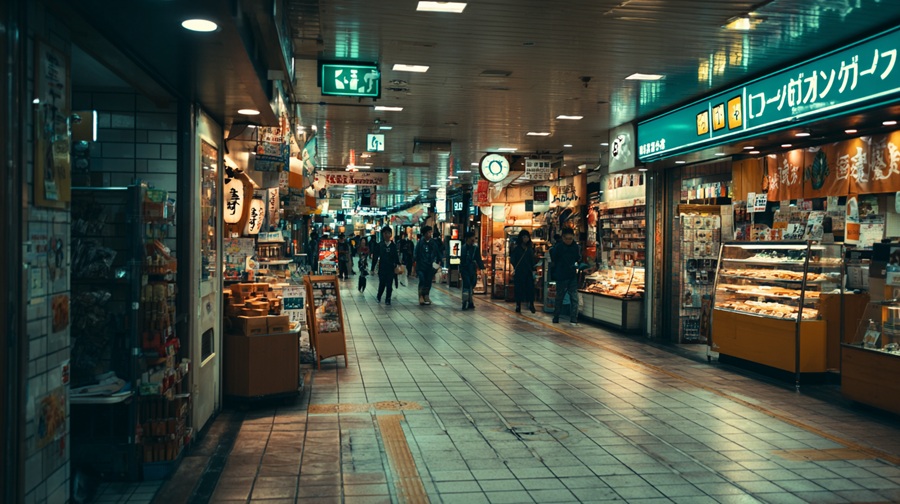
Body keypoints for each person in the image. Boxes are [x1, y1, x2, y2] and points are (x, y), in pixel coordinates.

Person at [550, 227, 581, 325]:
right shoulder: (558, 247)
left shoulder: (575, 247)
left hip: (572, 275)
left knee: (574, 298)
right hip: (561, 275)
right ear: (563, 238)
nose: (569, 241)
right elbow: (553, 258)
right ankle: (556, 316)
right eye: (567, 238)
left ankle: (574, 318)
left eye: (570, 239)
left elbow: (578, 258)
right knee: (559, 297)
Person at [371, 226, 400, 305]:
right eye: (385, 233)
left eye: (388, 233)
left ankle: (388, 298)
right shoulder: (380, 245)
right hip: (382, 268)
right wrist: (372, 268)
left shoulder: (393, 246)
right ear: (383, 234)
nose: (387, 235)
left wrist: (398, 265)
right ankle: (379, 296)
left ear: (391, 234)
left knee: (389, 284)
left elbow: (396, 256)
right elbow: (375, 257)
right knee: (382, 283)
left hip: (391, 268)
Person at [510, 229, 537, 313]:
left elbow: (532, 260)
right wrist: (516, 267)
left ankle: (531, 304)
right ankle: (518, 305)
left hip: (528, 271)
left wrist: (533, 269)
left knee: (530, 288)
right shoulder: (517, 248)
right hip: (519, 271)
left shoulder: (530, 248)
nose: (526, 239)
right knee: (519, 289)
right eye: (524, 237)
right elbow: (513, 259)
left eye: (527, 237)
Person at [414, 225, 441, 306]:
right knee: (422, 280)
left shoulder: (433, 243)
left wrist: (439, 262)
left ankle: (426, 296)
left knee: (428, 281)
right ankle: (420, 296)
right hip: (421, 266)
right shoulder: (420, 243)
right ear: (425, 234)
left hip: (430, 266)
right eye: (428, 232)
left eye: (430, 232)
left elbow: (437, 252)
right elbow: (416, 254)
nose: (430, 234)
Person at [459, 231, 485, 310]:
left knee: (472, 284)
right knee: (467, 285)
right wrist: (461, 270)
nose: (474, 239)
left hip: (472, 270)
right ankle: (465, 301)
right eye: (472, 237)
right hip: (465, 269)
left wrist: (482, 268)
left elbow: (478, 259)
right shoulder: (464, 248)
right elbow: (462, 260)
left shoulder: (475, 248)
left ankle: (470, 301)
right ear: (468, 238)